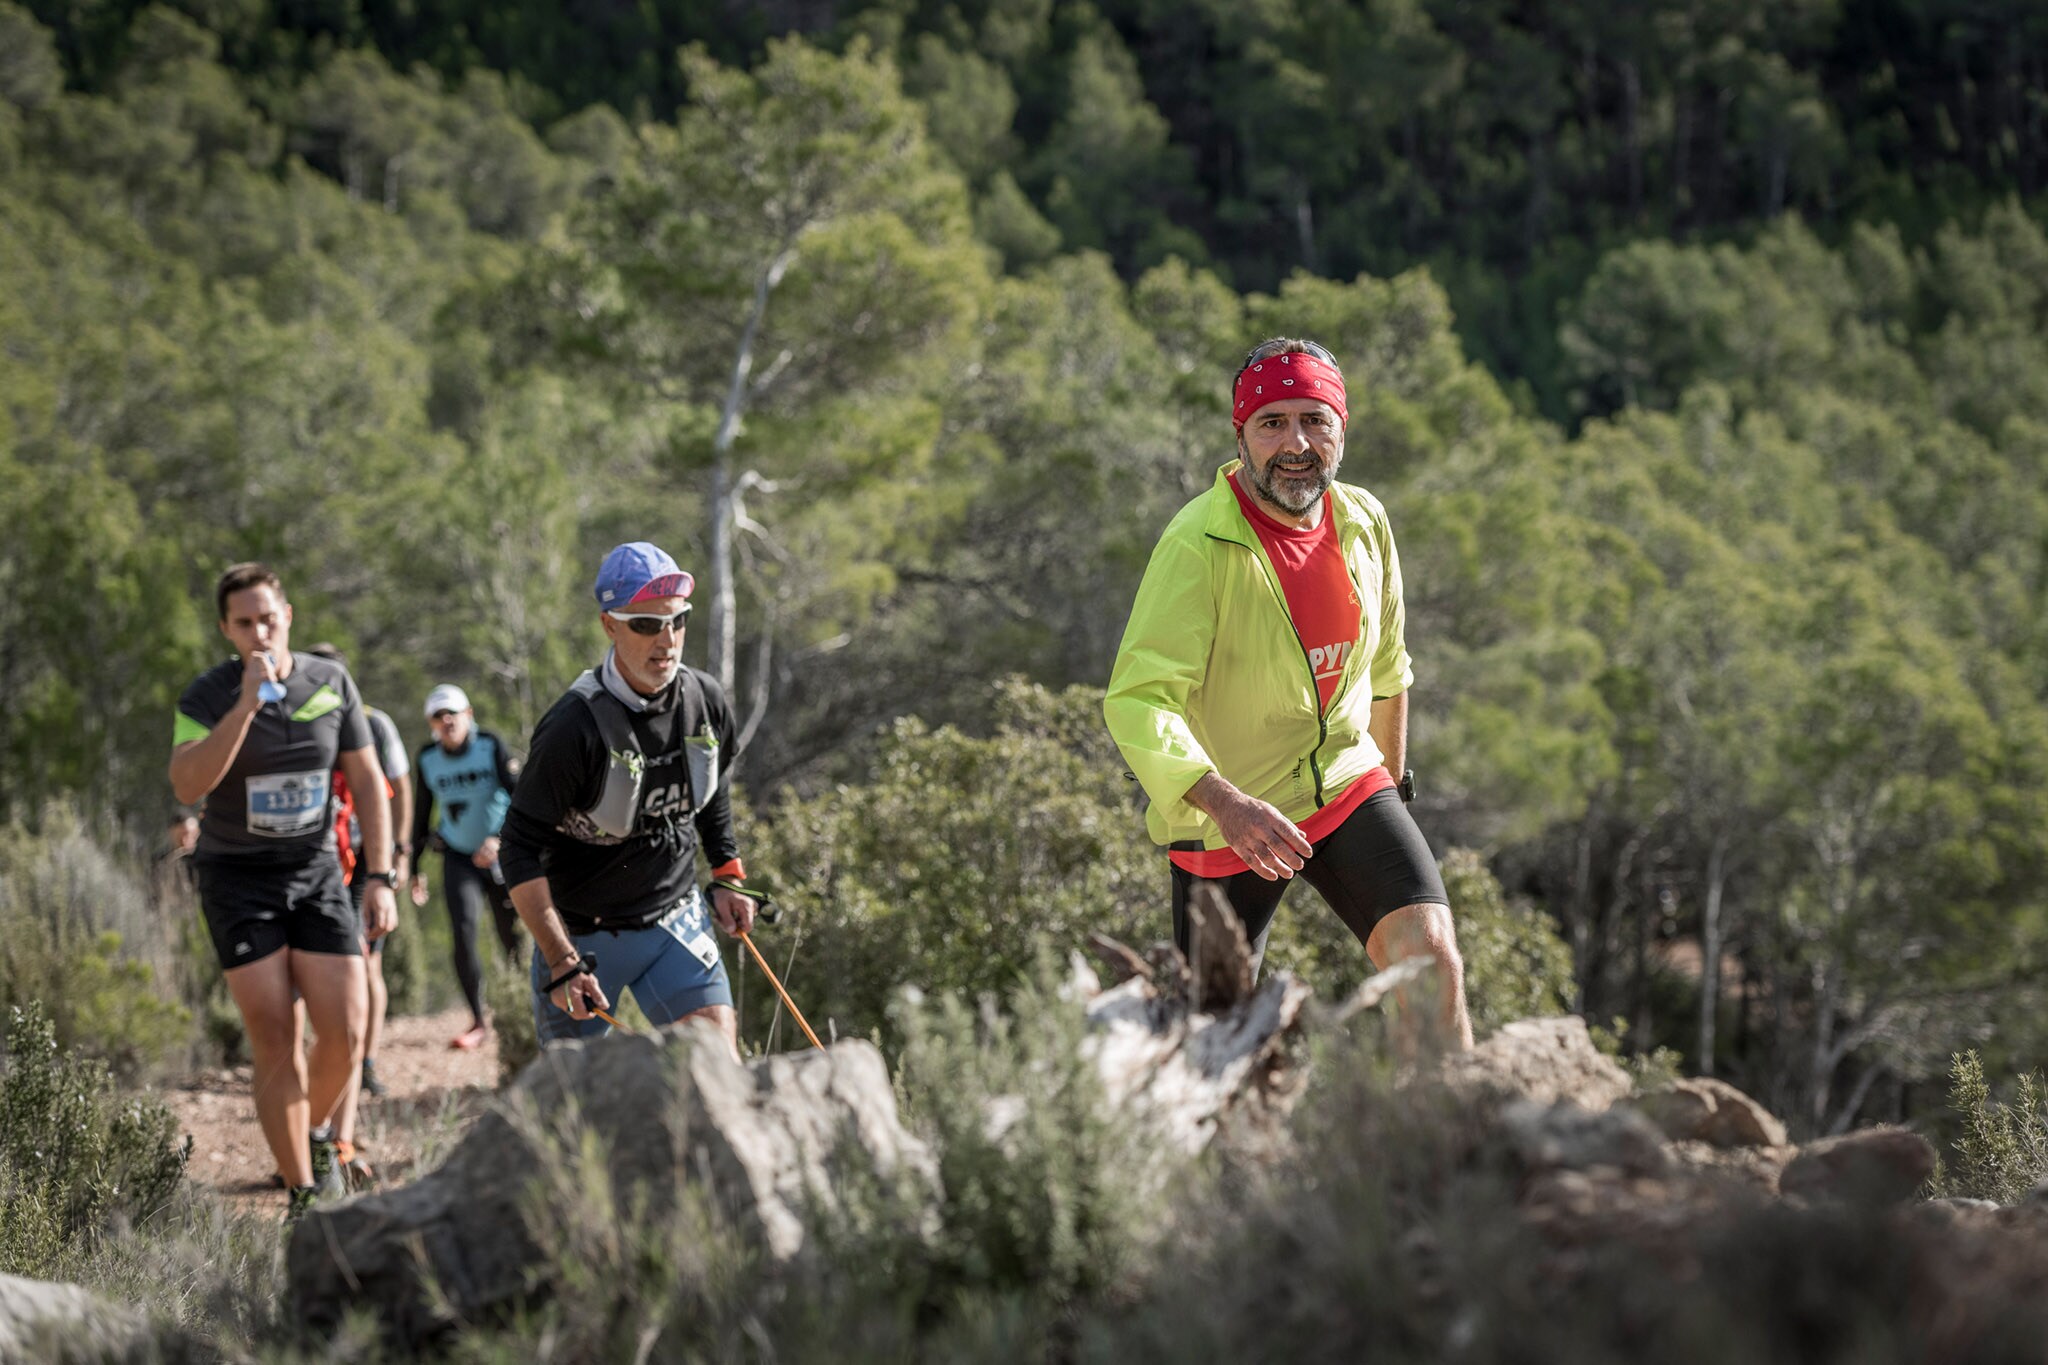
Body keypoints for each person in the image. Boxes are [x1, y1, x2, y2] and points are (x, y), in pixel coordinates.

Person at [1103, 338, 1473, 1051]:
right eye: (1272, 422)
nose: (1295, 443)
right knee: (1211, 1034)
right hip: (1228, 814)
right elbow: (1139, 699)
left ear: (1342, 428)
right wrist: (1224, 802)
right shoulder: (1198, 545)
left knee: (1432, 960)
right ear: (1239, 434)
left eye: (1314, 419)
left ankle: (1448, 1141)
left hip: (1343, 779)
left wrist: (1389, 792)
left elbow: (1391, 670)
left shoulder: (1364, 520)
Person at [169, 563, 398, 1221]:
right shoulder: (207, 695)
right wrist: (245, 704)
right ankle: (302, 1195)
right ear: (226, 629)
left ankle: (316, 1135)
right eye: (244, 622)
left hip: (317, 870)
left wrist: (379, 876)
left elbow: (371, 785)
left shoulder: (330, 682)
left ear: (288, 615)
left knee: (347, 1032)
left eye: (268, 617)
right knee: (273, 1034)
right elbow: (187, 783)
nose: (259, 630)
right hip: (239, 879)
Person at [498, 542, 754, 1060]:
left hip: (675, 925)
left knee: (718, 1073)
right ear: (609, 625)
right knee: (577, 1114)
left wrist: (726, 872)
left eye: (677, 621)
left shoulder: (705, 700)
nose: (667, 640)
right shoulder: (572, 729)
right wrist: (560, 959)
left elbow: (711, 789)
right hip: (584, 941)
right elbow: (517, 849)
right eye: (645, 625)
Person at [305, 642, 413, 1188]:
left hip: (359, 872)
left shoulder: (372, 722)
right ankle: (310, 1132)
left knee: (361, 982)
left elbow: (393, 789)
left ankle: (344, 1121)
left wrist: (393, 861)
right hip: (304, 872)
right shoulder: (291, 718)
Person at [408, 683, 521, 1051]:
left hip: (501, 853)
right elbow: (421, 815)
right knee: (464, 931)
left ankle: (521, 1009)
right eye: (438, 717)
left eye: (452, 714)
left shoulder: (491, 745)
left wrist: (501, 840)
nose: (446, 722)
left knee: (513, 935)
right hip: (459, 857)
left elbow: (521, 798)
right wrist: (414, 867)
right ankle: (476, 1019)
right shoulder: (427, 758)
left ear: (468, 715)